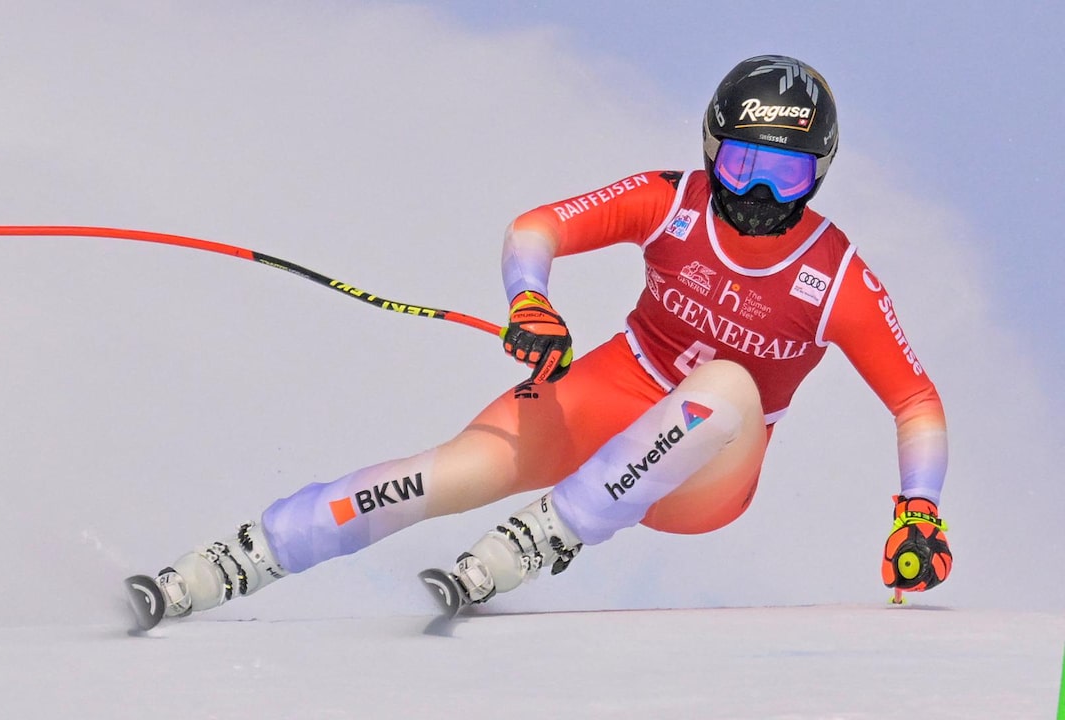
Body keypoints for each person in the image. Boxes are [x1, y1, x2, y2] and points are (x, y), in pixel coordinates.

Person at [136, 54, 951, 626]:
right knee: (442, 473)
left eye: (790, 174)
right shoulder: (672, 201)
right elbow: (538, 227)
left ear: (822, 172)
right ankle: (224, 566)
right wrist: (530, 302)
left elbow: (914, 400)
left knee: (730, 386)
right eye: (742, 165)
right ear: (710, 150)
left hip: (702, 473)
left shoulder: (836, 272)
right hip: (604, 400)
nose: (763, 192)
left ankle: (546, 534)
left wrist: (919, 511)